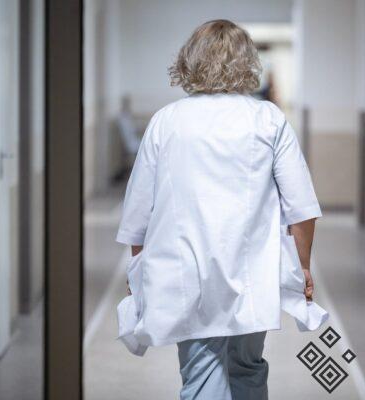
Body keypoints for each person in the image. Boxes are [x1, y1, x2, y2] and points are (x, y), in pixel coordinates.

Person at [115, 19, 325, 400]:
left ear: (189, 60)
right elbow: (301, 207)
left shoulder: (166, 121)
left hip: (187, 275)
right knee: (247, 368)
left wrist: (137, 267)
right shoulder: (268, 119)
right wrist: (303, 266)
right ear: (247, 61)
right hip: (252, 275)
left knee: (200, 375)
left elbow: (139, 213)